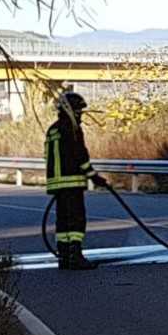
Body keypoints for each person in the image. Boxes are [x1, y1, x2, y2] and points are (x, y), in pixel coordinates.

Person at [46, 92, 108, 271]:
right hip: (71, 182)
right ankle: (76, 256)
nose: (81, 114)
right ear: (70, 110)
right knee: (76, 221)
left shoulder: (53, 129)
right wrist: (94, 176)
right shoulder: (71, 129)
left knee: (63, 222)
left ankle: (64, 257)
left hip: (57, 184)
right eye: (79, 110)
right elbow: (80, 155)